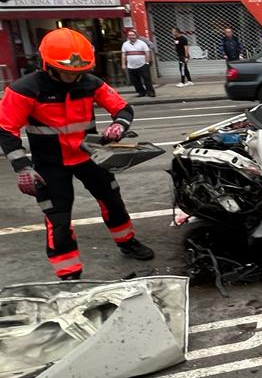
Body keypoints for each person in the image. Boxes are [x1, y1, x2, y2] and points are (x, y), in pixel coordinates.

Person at [0, 28, 154, 280]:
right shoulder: (25, 90)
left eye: (79, 72)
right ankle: (68, 272)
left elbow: (123, 108)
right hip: (50, 164)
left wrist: (119, 125)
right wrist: (22, 167)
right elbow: (6, 129)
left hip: (89, 157)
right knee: (58, 218)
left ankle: (127, 242)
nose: (75, 77)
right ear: (47, 65)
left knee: (112, 201)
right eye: (68, 72)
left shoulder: (90, 82)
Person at [121, 29, 156, 98]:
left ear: (136, 35)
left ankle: (150, 92)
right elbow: (123, 55)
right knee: (135, 81)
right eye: (130, 35)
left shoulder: (142, 43)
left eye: (133, 35)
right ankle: (141, 92)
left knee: (147, 79)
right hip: (131, 66)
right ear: (128, 36)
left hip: (142, 65)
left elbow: (147, 52)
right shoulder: (125, 44)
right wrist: (123, 64)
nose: (131, 36)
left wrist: (147, 62)